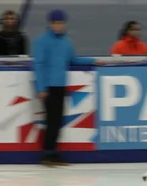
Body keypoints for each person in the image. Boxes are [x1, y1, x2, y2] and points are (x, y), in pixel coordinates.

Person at [32, 9, 101, 165]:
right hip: (48, 87)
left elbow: (73, 60)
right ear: (50, 24)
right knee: (51, 121)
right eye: (55, 23)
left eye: (61, 23)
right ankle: (47, 153)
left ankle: (52, 152)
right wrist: (41, 88)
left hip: (60, 86)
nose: (58, 26)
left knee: (58, 120)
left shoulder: (66, 42)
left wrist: (92, 61)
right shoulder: (41, 41)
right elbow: (39, 65)